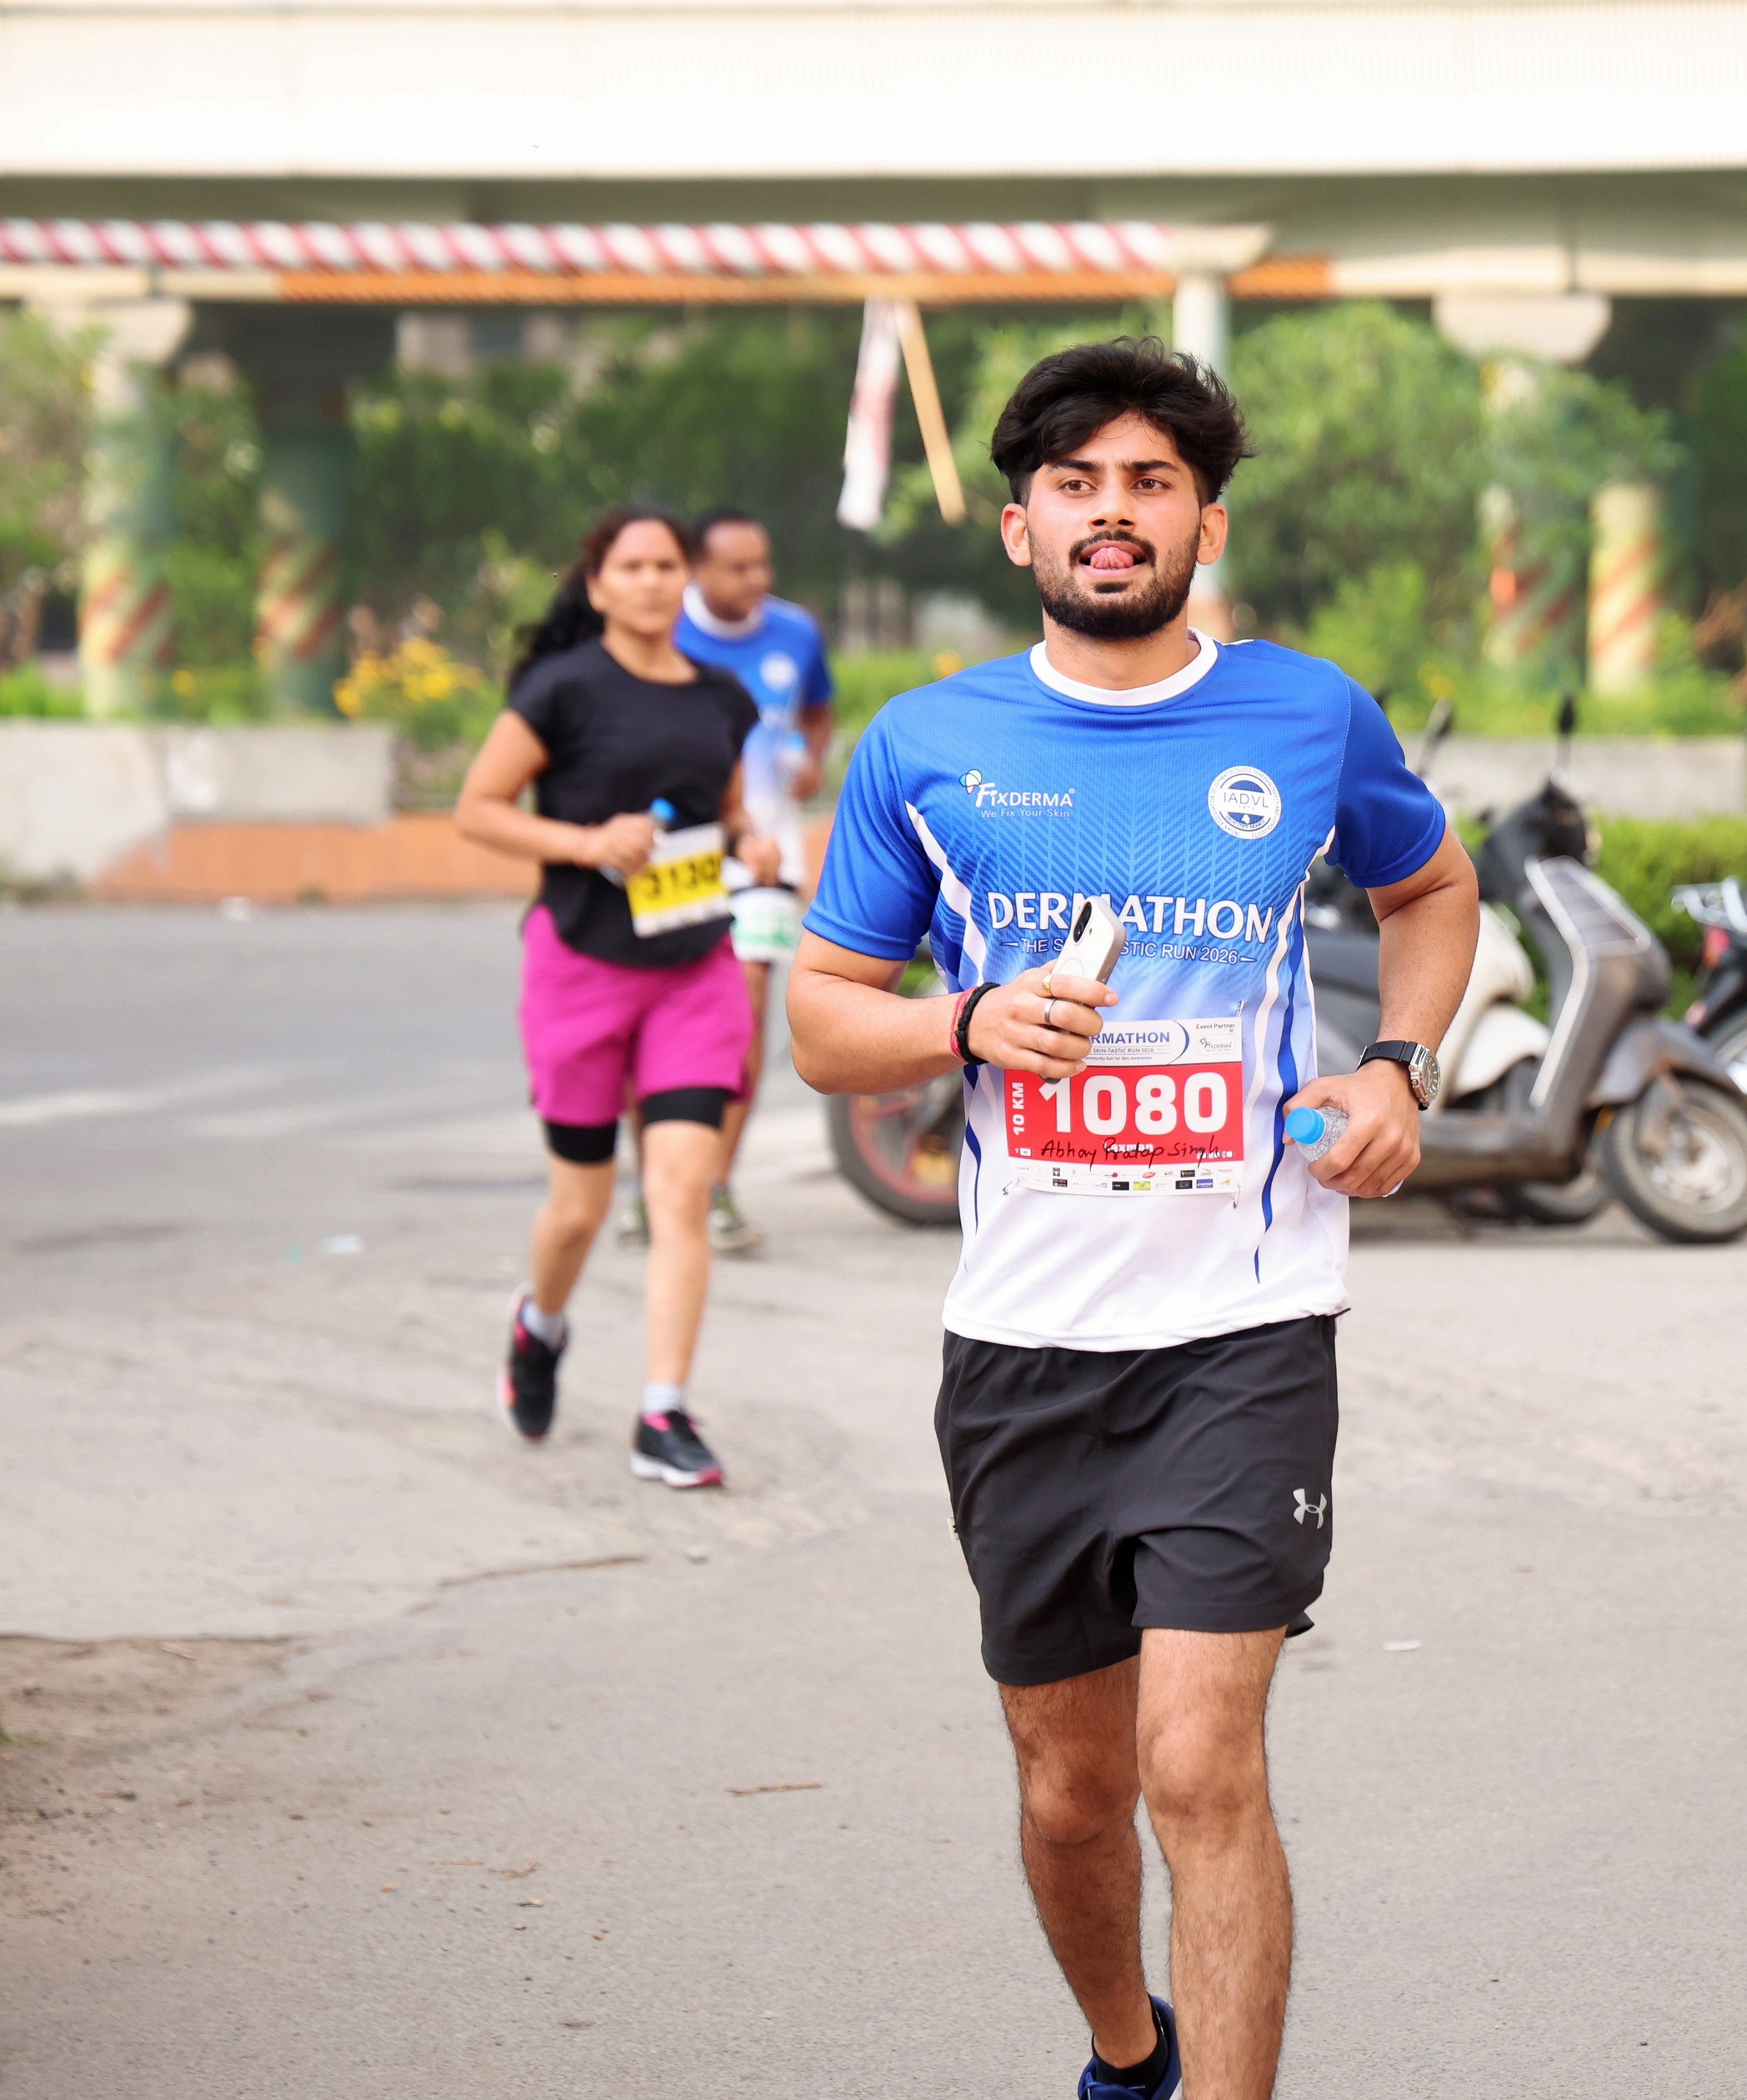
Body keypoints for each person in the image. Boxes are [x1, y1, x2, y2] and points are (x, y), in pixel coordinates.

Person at [787, 341, 1475, 2100]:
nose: (1115, 513)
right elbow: (821, 1022)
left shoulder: (1307, 715)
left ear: (1205, 525)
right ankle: (1126, 2050)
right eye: (1078, 485)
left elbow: (1431, 886)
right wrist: (964, 1022)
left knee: (1198, 1765)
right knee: (1072, 1789)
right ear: (1021, 528)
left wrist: (1397, 1070)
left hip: (1245, 1325)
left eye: (1152, 483)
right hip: (1025, 1343)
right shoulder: (927, 744)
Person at [453, 504, 779, 1490]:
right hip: (581, 967)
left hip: (694, 968)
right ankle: (540, 1323)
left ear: (686, 580)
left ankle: (663, 1412)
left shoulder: (720, 697)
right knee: (579, 1209)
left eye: (664, 565)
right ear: (597, 586)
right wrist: (588, 843)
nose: (649, 581)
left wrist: (751, 843)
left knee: (680, 1190)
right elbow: (478, 809)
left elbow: (728, 812)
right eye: (629, 566)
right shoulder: (561, 691)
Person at [668, 509, 837, 1256]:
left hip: (767, 853)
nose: (757, 580)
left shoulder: (796, 632)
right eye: (738, 568)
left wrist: (812, 757)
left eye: (763, 564)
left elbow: (819, 711)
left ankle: (714, 1187)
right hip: (674, 855)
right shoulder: (664, 632)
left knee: (744, 1010)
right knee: (665, 1011)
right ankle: (658, 1184)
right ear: (698, 570)